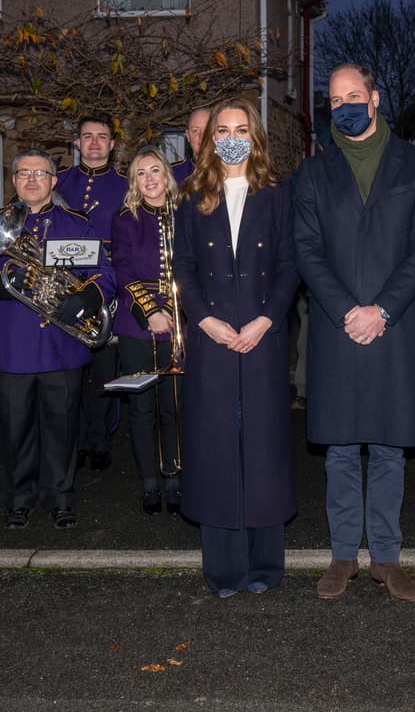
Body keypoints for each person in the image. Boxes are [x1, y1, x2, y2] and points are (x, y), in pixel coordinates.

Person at [294, 64, 415, 602]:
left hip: (393, 327)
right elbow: (306, 249)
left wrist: (382, 310)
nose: (345, 106)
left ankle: (385, 558)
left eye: (353, 95)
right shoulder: (313, 172)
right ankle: (342, 556)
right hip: (337, 328)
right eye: (335, 100)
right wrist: (346, 311)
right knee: (338, 447)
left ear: (375, 99)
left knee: (387, 447)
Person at [173, 96, 299, 597]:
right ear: (210, 139)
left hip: (263, 339)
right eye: (222, 130)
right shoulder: (192, 197)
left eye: (241, 130)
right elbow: (183, 267)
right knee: (216, 448)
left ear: (255, 137)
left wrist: (267, 319)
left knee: (263, 448)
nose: (231, 138)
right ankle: (223, 569)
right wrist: (203, 320)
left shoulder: (278, 195)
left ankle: (265, 564)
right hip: (213, 341)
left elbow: (290, 265)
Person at [0, 148, 115, 532]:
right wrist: (5, 283)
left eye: (40, 173)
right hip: (12, 347)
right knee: (16, 430)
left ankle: (61, 498)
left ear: (53, 181)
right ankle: (20, 499)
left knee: (63, 430)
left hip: (62, 347)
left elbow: (104, 272)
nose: (31, 180)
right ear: (14, 180)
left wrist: (87, 297)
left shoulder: (76, 223)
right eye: (24, 173)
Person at [110, 148, 183, 516]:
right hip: (136, 324)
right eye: (141, 173)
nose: (150, 178)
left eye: (156, 170)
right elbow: (122, 270)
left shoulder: (186, 213)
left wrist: (170, 308)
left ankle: (174, 479)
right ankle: (150, 483)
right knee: (141, 409)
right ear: (134, 182)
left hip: (180, 320)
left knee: (173, 407)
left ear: (167, 175)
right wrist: (151, 311)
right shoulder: (125, 218)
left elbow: (193, 265)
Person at [57, 114, 128, 471]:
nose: (95, 143)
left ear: (112, 145)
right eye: (88, 136)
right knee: (68, 370)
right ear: (77, 142)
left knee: (103, 369)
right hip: (61, 286)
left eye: (102, 137)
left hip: (106, 285)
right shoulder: (56, 181)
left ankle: (99, 439)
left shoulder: (126, 185)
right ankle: (74, 437)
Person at [172, 106, 211, 186]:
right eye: (195, 130)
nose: (202, 136)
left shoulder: (233, 172)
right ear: (188, 136)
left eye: (207, 130)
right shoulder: (173, 174)